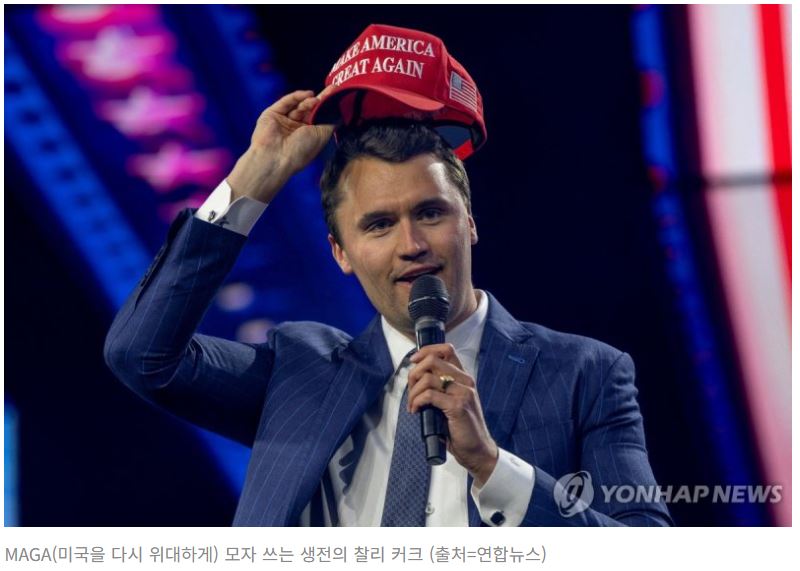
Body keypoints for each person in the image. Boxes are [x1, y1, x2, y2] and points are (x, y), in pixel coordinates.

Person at [105, 26, 672, 527]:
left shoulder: (584, 374)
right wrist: (257, 174)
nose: (412, 245)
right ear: (341, 253)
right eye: (379, 225)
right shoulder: (297, 373)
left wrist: (492, 466)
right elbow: (141, 356)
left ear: (469, 223)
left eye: (431, 213)